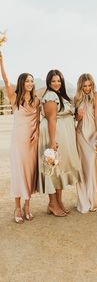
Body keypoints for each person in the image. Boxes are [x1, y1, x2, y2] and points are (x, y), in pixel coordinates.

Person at [38, 69, 90, 217]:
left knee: (59, 168)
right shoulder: (50, 96)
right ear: (48, 82)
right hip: (54, 135)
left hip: (64, 135)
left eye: (59, 81)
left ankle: (58, 202)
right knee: (53, 168)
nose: (56, 83)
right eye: (53, 81)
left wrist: (79, 116)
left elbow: (69, 116)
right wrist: (53, 142)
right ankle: (53, 203)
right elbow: (52, 119)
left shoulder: (61, 95)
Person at [0, 52, 40, 223]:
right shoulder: (14, 98)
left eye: (32, 80)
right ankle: (17, 207)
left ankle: (27, 205)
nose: (30, 83)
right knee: (18, 174)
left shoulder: (37, 101)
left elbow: (39, 121)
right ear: (22, 83)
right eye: (27, 80)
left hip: (31, 143)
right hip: (17, 143)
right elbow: (7, 80)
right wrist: (1, 62)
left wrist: (36, 134)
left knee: (29, 173)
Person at [74, 73, 97, 211]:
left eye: (89, 85)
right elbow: (76, 119)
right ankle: (83, 200)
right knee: (82, 168)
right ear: (81, 86)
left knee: (92, 165)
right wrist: (79, 115)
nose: (87, 88)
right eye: (84, 86)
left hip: (93, 134)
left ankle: (94, 200)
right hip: (80, 134)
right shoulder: (77, 98)